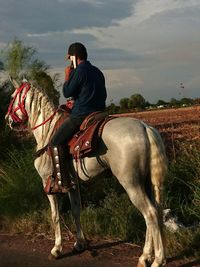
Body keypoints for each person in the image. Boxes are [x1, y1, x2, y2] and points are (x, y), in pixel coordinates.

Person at [49, 42, 107, 192]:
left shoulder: (79, 71)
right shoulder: (97, 71)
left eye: (69, 58)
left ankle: (64, 183)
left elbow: (67, 92)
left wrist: (68, 75)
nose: (69, 61)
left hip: (82, 114)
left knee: (55, 142)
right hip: (100, 112)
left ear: (74, 57)